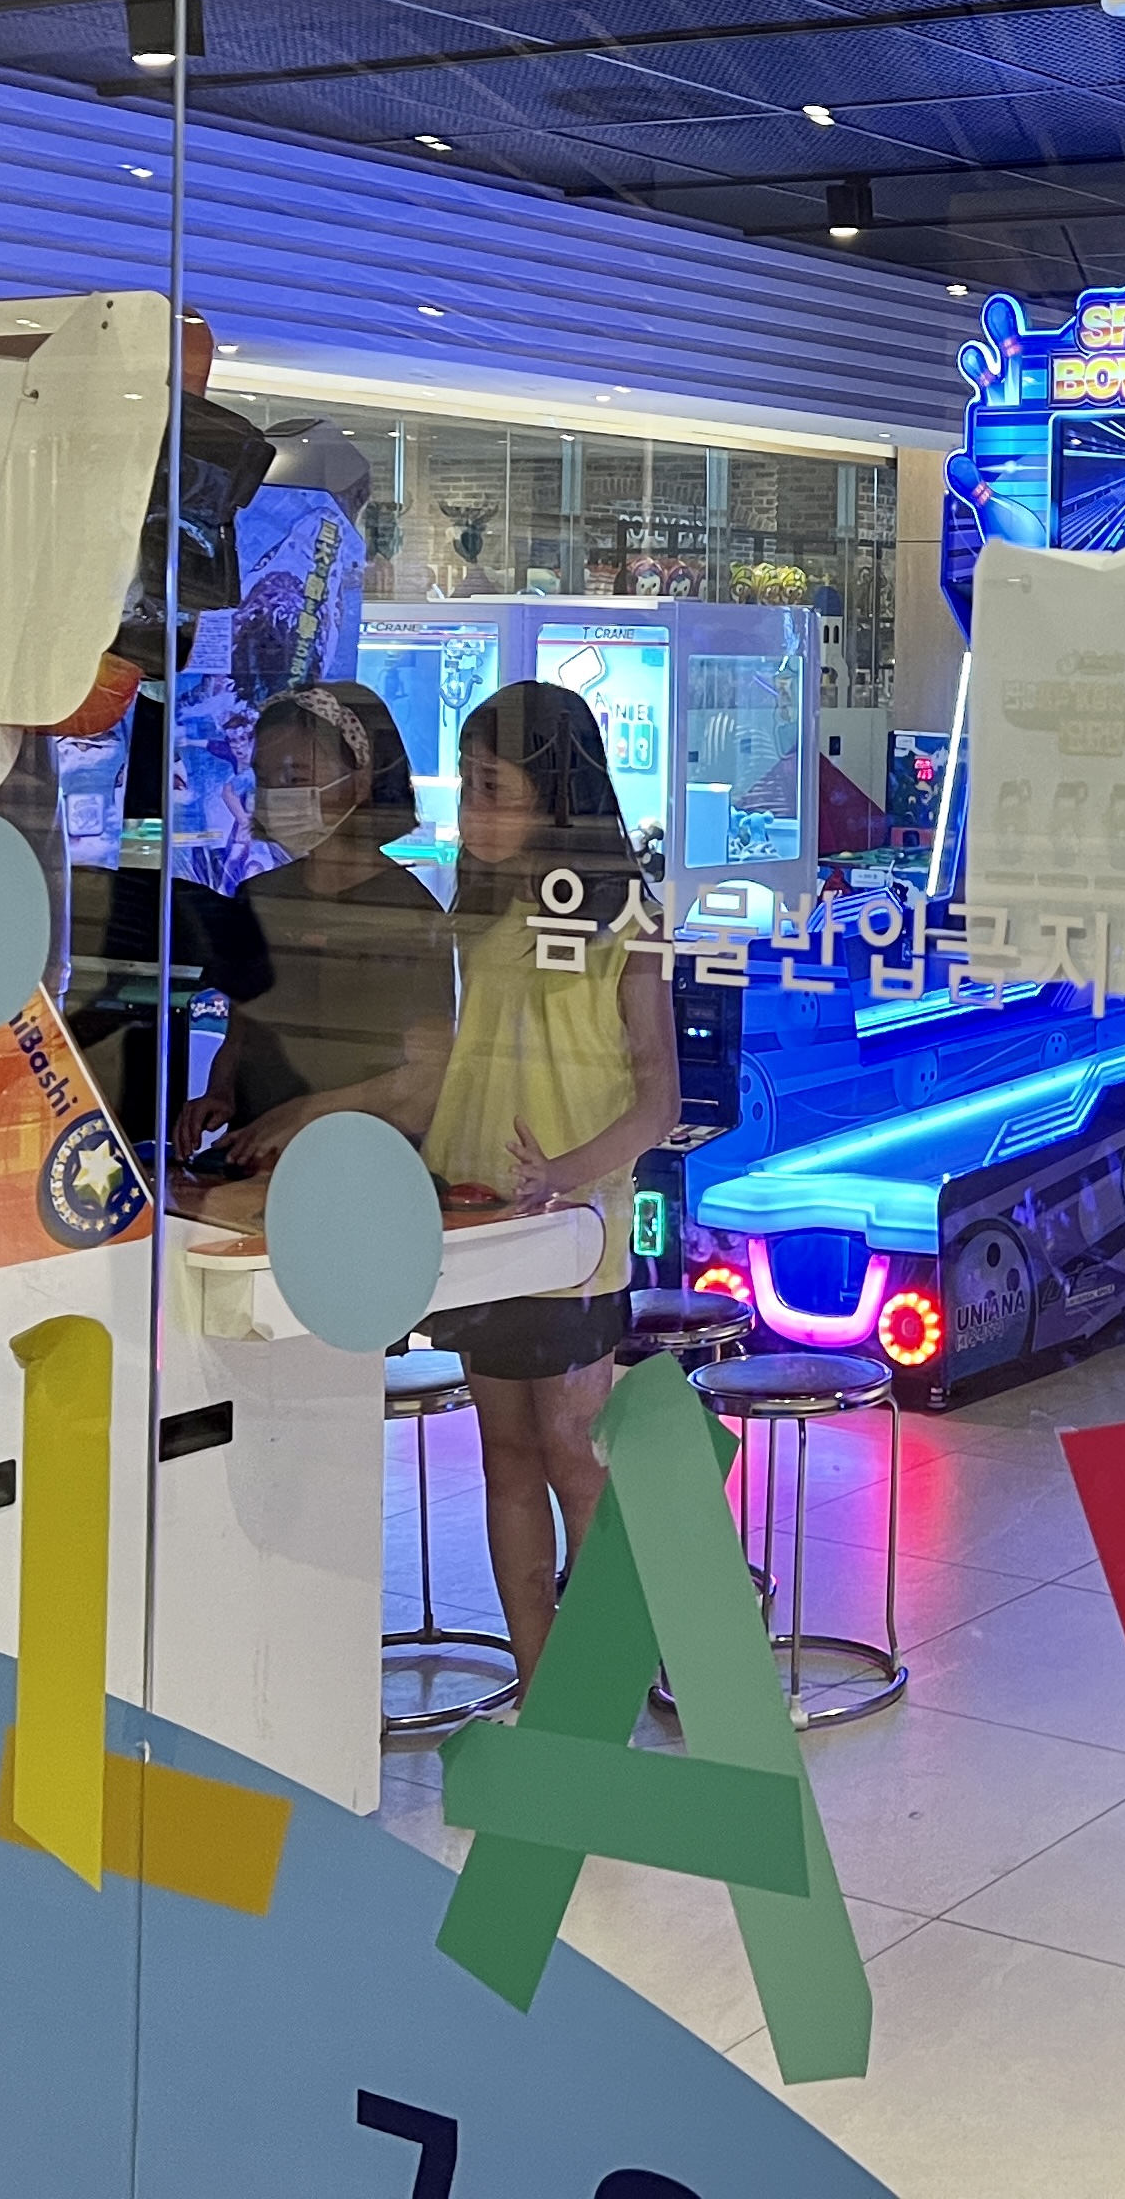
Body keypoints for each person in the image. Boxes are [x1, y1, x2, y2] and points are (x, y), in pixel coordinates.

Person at [421, 682, 679, 1690]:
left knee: (574, 1450)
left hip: (573, 1231)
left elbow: (659, 1100)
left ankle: (603, 1680)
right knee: (507, 1454)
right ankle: (543, 1685)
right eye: (466, 785)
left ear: (555, 794)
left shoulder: (629, 920)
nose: (469, 810)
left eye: (492, 787)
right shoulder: (478, 902)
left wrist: (565, 1175)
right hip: (479, 1218)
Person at [182, 682, 452, 1177]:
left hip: (361, 1163)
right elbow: (241, 1032)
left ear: (362, 778)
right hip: (255, 1160)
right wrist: (218, 1093)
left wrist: (309, 1112)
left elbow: (426, 1076)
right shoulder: (259, 898)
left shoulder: (411, 913)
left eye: (296, 777)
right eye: (265, 778)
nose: (277, 795)